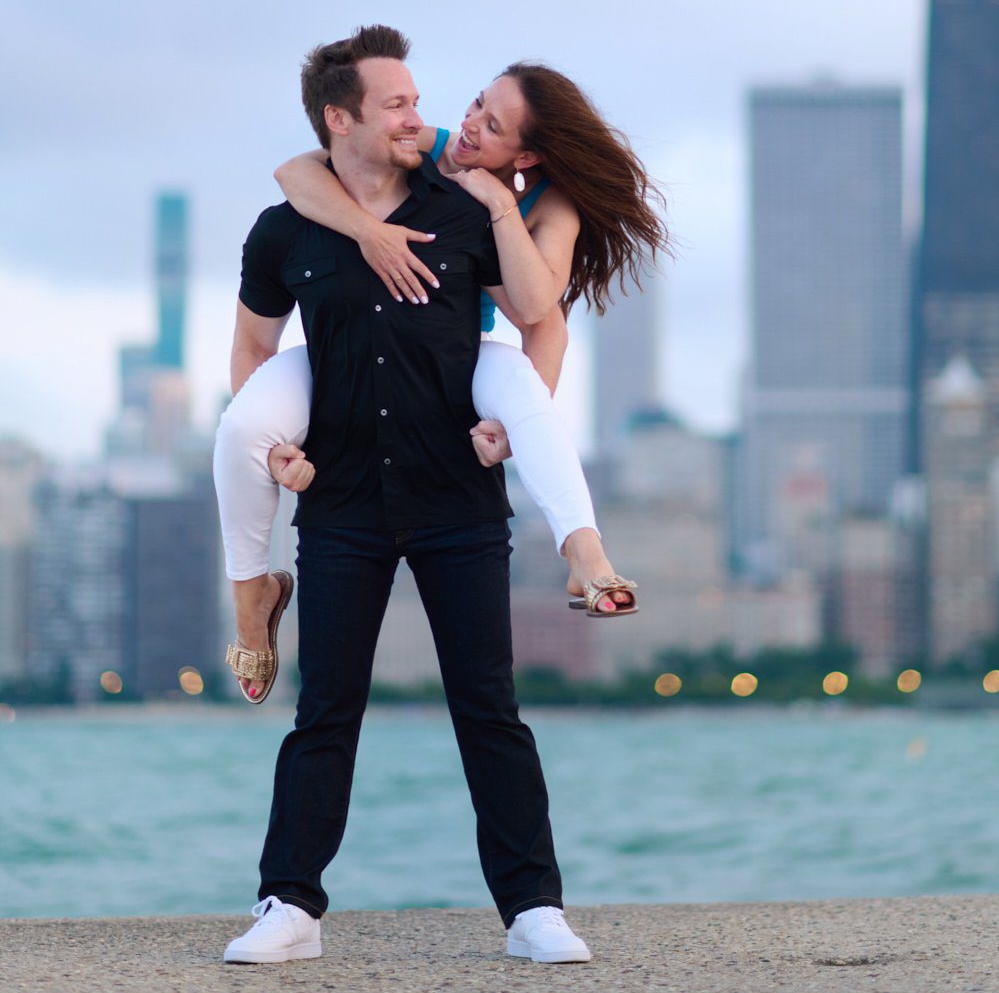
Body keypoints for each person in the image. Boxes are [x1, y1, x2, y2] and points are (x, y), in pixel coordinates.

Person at [221, 25, 590, 965]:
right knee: (325, 709)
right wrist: (275, 450)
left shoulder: (464, 208)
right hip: (340, 499)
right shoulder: (284, 230)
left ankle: (533, 910)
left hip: (457, 497)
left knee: (487, 706)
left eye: (420, 102)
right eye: (397, 104)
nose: (421, 119)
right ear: (340, 119)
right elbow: (255, 353)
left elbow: (540, 315)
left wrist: (513, 425)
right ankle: (288, 907)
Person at [215, 57, 670, 693]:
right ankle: (250, 599)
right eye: (477, 104)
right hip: (352, 354)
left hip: (460, 352)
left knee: (526, 397)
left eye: (494, 125)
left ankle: (585, 555)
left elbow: (542, 317)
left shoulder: (551, 205)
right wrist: (372, 234)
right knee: (239, 428)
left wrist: (496, 203)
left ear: (529, 156)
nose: (469, 125)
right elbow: (295, 172)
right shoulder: (432, 148)